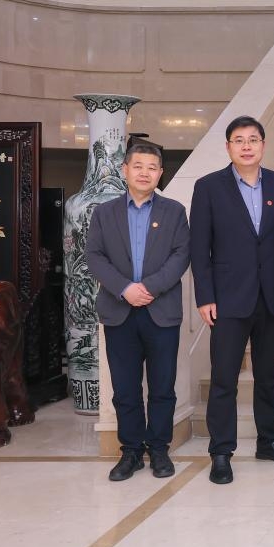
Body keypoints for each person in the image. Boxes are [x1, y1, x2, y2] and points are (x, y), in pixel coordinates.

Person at [190, 116, 274, 485]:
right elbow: (199, 247)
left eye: (253, 139)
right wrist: (205, 295)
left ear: (263, 145)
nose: (247, 146)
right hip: (227, 299)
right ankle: (221, 451)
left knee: (269, 375)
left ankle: (269, 441)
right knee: (224, 378)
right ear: (228, 147)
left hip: (272, 297)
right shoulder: (208, 187)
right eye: (239, 140)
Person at [86, 142, 190, 481]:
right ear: (125, 170)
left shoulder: (174, 211)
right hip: (119, 311)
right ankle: (130, 451)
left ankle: (159, 449)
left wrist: (149, 287)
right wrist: (124, 288)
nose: (145, 172)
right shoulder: (104, 213)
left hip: (161, 311)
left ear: (160, 174)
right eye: (138, 166)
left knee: (162, 386)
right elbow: (94, 256)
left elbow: (181, 255)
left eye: (152, 167)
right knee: (125, 388)